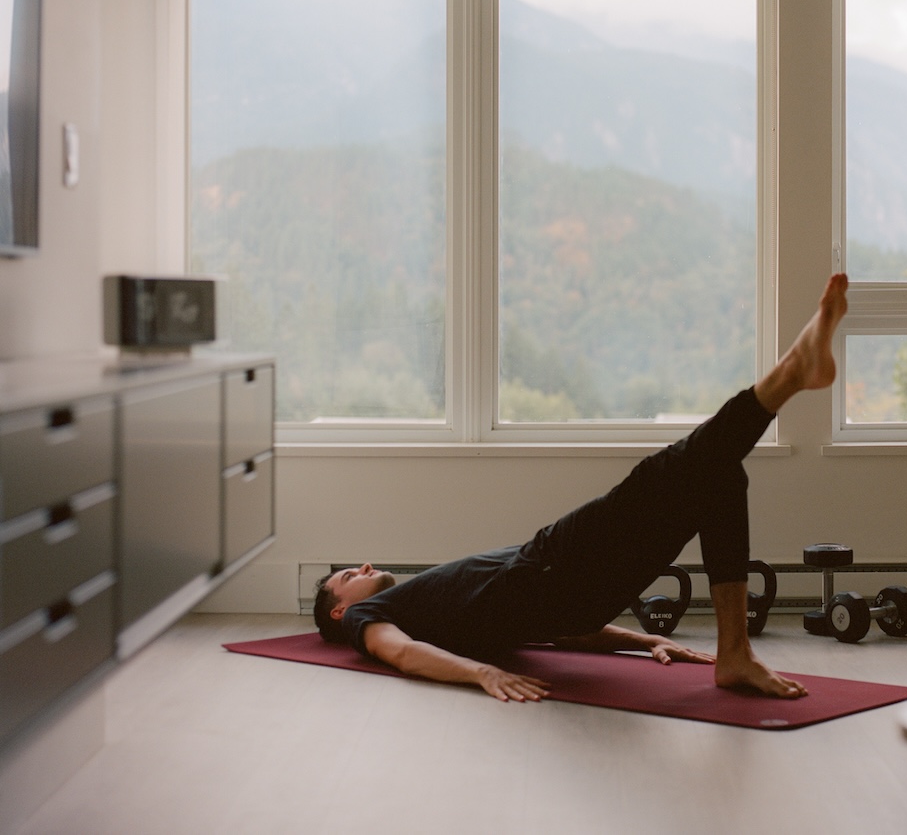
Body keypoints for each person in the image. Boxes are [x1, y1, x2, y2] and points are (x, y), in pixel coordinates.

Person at [314, 273, 849, 702]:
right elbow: (403, 655)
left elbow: (548, 628)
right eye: (346, 577)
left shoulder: (428, 613)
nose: (361, 568)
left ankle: (734, 653)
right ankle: (787, 375)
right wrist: (481, 675)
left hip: (571, 595)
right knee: (679, 470)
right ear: (341, 611)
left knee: (719, 475)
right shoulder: (370, 618)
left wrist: (644, 641)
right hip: (550, 565)